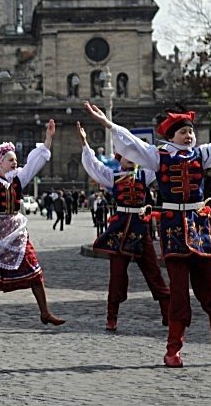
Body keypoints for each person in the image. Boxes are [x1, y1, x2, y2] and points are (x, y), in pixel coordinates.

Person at [84, 88, 211, 368]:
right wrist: (109, 125)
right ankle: (173, 349)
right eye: (183, 132)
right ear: (171, 136)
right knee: (178, 290)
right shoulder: (158, 157)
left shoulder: (201, 155)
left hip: (200, 230)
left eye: (190, 131)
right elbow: (133, 144)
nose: (189, 135)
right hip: (173, 231)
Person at [0, 119, 64, 331]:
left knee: (34, 268)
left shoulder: (20, 178)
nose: (14, 163)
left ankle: (45, 312)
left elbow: (36, 163)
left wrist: (48, 139)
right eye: (10, 159)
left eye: (15, 159)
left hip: (15, 228)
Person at [79, 123, 170, 331]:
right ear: (120, 158)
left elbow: (159, 159)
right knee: (117, 276)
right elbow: (94, 165)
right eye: (126, 155)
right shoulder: (113, 177)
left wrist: (166, 143)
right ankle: (112, 316)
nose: (131, 158)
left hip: (140, 230)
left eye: (134, 156)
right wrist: (85, 144)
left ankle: (167, 311)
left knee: (153, 272)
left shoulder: (145, 175)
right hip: (119, 232)